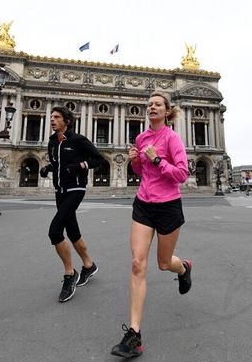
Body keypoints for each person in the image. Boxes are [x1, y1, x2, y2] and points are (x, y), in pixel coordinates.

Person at [111, 91, 192, 359]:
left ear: (167, 111)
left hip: (168, 206)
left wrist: (158, 159)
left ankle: (184, 268)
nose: (151, 107)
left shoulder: (173, 138)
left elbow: (181, 173)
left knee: (164, 262)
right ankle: (134, 334)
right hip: (144, 204)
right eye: (149, 105)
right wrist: (136, 160)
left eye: (157, 104)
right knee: (137, 263)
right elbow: (140, 172)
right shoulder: (141, 137)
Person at [40, 106, 104, 302]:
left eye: (56, 117)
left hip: (75, 189)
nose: (52, 120)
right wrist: (48, 168)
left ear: (66, 121)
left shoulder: (78, 140)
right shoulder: (52, 143)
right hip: (60, 190)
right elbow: (59, 163)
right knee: (72, 231)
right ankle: (89, 265)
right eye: (51, 117)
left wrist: (79, 166)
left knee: (55, 231)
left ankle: (69, 274)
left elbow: (98, 159)